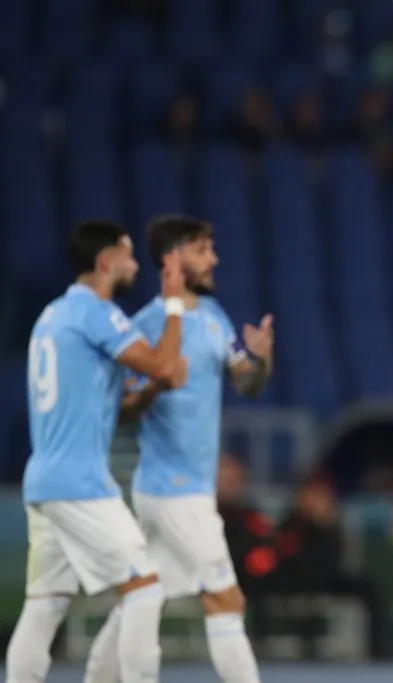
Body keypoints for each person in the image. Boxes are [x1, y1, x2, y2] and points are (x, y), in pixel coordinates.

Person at [84, 216, 274, 683]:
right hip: (174, 490)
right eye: (202, 250)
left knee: (141, 597)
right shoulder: (147, 325)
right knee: (226, 599)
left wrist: (262, 359)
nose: (214, 259)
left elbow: (246, 382)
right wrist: (155, 386)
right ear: (173, 258)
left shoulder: (212, 316)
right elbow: (120, 409)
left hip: (183, 489)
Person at [7, 220, 186, 683]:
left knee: (44, 605)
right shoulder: (95, 312)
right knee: (145, 589)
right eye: (128, 255)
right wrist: (172, 304)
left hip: (44, 478)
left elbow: (116, 412)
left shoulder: (53, 315)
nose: (135, 265)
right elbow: (165, 366)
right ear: (106, 261)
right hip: (80, 482)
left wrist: (148, 392)